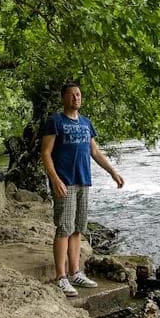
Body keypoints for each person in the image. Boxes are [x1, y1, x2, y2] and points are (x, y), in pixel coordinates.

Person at [40, 81, 124, 297]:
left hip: (83, 180)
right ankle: (61, 277)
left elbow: (95, 152)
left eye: (78, 95)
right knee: (64, 228)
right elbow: (46, 153)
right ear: (64, 98)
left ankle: (75, 272)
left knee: (78, 228)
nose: (76, 98)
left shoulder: (86, 123)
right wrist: (55, 179)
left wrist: (113, 172)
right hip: (64, 181)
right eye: (71, 95)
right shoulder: (55, 121)